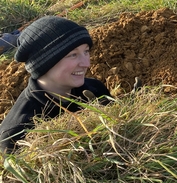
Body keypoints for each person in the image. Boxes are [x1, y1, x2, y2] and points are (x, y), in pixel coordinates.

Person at [0, 16, 111, 153]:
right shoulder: (18, 132)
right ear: (44, 63)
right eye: (73, 55)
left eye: (86, 52)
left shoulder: (95, 90)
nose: (86, 63)